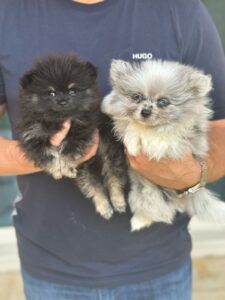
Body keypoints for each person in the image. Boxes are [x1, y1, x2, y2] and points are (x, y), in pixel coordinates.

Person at [0, 0, 225, 299]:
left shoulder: (178, 8)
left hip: (158, 267)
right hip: (50, 269)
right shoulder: (7, 11)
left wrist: (190, 172)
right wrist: (48, 154)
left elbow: (221, 128)